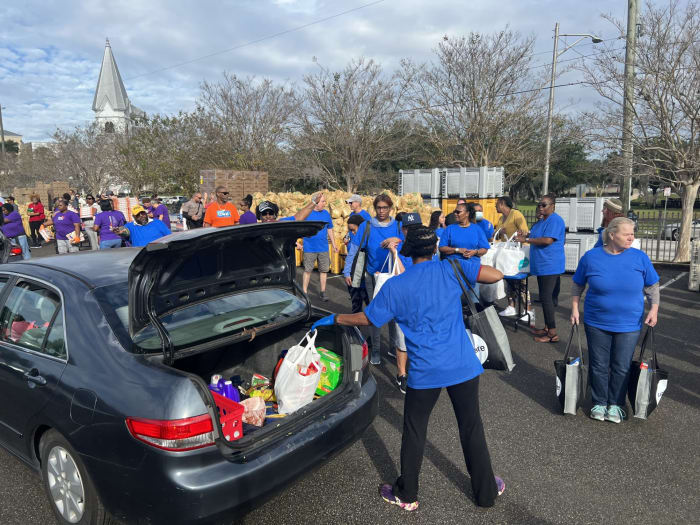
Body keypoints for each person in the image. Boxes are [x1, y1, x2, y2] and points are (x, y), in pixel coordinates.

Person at [313, 226, 506, 511]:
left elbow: (368, 319)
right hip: (462, 364)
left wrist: (336, 318)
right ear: (434, 248)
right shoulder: (451, 268)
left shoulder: (396, 286)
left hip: (426, 370)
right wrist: (467, 262)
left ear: (408, 251)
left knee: (415, 430)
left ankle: (407, 494)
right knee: (471, 427)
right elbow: (497, 276)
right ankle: (486, 491)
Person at [571, 217, 659, 424]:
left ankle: (617, 404)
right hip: (596, 321)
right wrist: (574, 308)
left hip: (629, 323)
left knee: (621, 366)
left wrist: (654, 309)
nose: (631, 237)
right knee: (599, 364)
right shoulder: (591, 257)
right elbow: (577, 284)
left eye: (633, 233)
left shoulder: (640, 258)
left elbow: (652, 287)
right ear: (612, 235)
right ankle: (599, 402)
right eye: (626, 233)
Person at [342, 194, 405, 365]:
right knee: (375, 313)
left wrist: (396, 239)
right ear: (374, 208)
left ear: (391, 208)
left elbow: (407, 244)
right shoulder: (366, 226)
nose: (382, 211)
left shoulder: (398, 226)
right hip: (372, 275)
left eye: (385, 207)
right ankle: (376, 350)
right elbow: (354, 249)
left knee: (394, 314)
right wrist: (347, 271)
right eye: (379, 208)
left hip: (394, 276)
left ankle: (393, 347)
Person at [514, 194, 565, 343]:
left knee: (546, 298)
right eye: (539, 205)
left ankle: (552, 333)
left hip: (550, 265)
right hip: (542, 265)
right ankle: (548, 327)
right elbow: (535, 234)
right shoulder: (542, 221)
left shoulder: (555, 220)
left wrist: (526, 239)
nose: (540, 207)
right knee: (545, 298)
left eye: (544, 205)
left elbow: (548, 240)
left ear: (553, 206)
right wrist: (526, 234)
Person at [439, 203, 489, 303]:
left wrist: (475, 252)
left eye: (458, 212)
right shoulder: (450, 229)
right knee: (452, 301)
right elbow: (442, 248)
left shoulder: (477, 229)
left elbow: (485, 248)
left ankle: (473, 317)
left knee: (473, 302)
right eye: (454, 212)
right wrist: (457, 250)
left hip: (472, 268)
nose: (455, 214)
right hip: (454, 268)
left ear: (467, 213)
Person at [496, 196, 531, 319]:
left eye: (497, 203)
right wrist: (501, 232)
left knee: (521, 283)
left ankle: (528, 310)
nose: (495, 206)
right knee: (508, 280)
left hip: (518, 253)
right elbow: (497, 235)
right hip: (507, 254)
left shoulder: (516, 214)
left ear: (502, 204)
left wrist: (519, 235)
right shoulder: (501, 218)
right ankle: (511, 306)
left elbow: (524, 231)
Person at [300, 193, 338, 302]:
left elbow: (330, 229)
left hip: (323, 248)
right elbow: (300, 227)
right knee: (307, 270)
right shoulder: (307, 214)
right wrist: (301, 241)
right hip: (309, 247)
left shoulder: (326, 214)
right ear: (316, 202)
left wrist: (334, 245)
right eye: (323, 201)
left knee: (324, 271)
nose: (325, 203)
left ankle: (323, 292)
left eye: (325, 201)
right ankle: (304, 292)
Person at [345, 214, 370, 313]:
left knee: (370, 304)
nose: (353, 232)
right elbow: (350, 256)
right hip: (353, 275)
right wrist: (346, 273)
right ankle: (355, 327)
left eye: (354, 230)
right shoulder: (351, 238)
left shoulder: (368, 237)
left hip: (366, 276)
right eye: (350, 230)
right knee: (356, 305)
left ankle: (372, 326)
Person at [255, 193, 321, 223]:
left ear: (275, 215)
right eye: (264, 214)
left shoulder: (282, 224)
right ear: (259, 216)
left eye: (271, 213)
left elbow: (298, 217)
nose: (268, 216)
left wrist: (314, 202)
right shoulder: (256, 230)